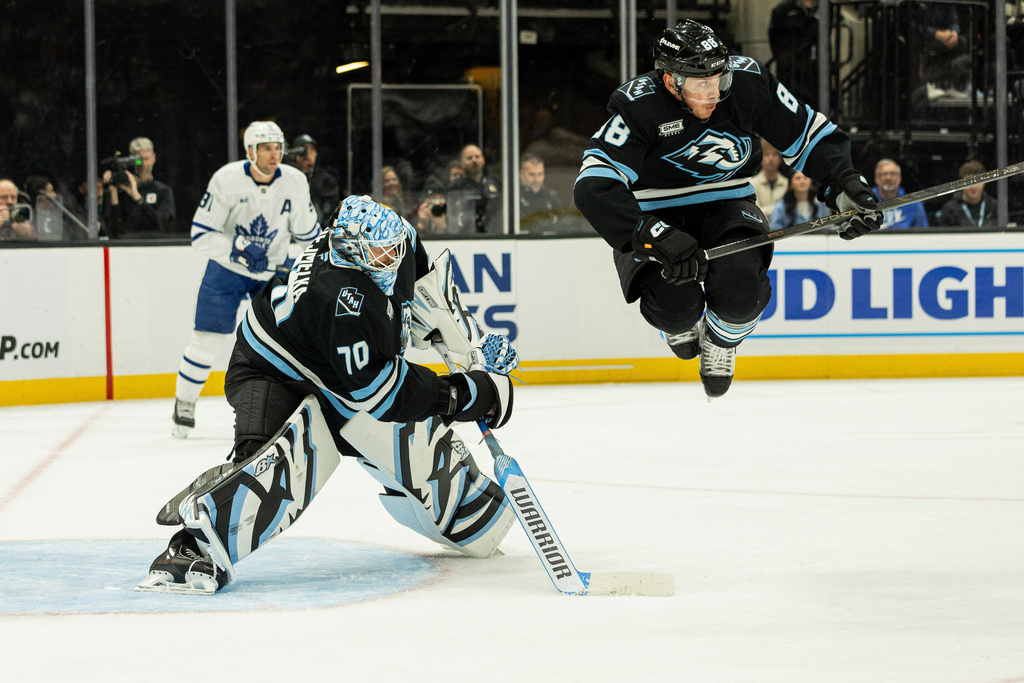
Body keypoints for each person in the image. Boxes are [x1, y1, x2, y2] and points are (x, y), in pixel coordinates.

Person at [138, 195, 517, 594]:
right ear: (351, 251)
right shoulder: (340, 297)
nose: (392, 258)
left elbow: (434, 300)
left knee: (411, 438)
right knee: (277, 465)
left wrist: (474, 347)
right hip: (272, 367)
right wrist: (463, 395)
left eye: (394, 249)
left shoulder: (396, 239)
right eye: (380, 253)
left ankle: (471, 510)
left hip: (329, 366)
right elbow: (383, 394)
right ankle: (193, 547)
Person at [573, 20, 882, 400]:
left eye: (718, 78)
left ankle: (721, 340)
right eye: (700, 83)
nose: (713, 92)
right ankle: (679, 323)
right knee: (676, 305)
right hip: (654, 212)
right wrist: (650, 235)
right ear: (671, 81)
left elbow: (806, 132)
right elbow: (593, 185)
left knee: (742, 293)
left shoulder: (749, 82)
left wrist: (844, 183)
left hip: (728, 202)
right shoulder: (639, 105)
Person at [172, 121, 321, 438]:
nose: (274, 154)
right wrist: (237, 248)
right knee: (206, 342)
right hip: (227, 270)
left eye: (278, 147)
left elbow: (310, 235)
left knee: (286, 343)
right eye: (266, 148)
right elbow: (200, 236)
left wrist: (309, 263)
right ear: (250, 151)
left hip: (271, 272)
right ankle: (184, 403)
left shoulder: (294, 181)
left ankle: (286, 406)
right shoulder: (226, 179)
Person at [768, 0, 820, 105]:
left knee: (815, 107)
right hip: (792, 70)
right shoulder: (783, 10)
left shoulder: (823, 8)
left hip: (815, 69)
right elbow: (774, 36)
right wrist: (785, 59)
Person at [286, 133, 340, 225]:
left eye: (311, 150)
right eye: (303, 151)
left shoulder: (326, 179)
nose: (307, 155)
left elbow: (328, 211)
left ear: (316, 154)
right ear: (294, 154)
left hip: (318, 228)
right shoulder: (287, 177)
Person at [447, 143, 501, 234]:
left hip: (491, 233)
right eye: (469, 158)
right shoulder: (455, 187)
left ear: (483, 160)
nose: (474, 160)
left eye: (477, 156)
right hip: (464, 234)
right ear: (462, 163)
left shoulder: (494, 184)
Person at [127, 137, 177, 233]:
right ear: (131, 160)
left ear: (153, 158)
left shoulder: (163, 191)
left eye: (146, 159)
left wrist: (138, 198)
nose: (143, 164)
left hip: (155, 245)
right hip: (128, 245)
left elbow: (164, 224)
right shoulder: (124, 191)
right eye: (139, 160)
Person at [938, 160, 997, 228]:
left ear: (984, 183)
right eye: (968, 182)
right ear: (961, 183)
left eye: (978, 182)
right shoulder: (950, 209)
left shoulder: (994, 207)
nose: (973, 187)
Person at [873, 158, 929, 229]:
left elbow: (923, 233)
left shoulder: (913, 203)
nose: (888, 177)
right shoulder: (864, 202)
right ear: (876, 178)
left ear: (899, 178)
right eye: (884, 174)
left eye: (893, 174)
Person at [518, 153, 562, 232]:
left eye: (540, 174)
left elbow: (563, 226)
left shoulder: (551, 197)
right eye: (532, 175)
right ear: (521, 174)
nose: (537, 180)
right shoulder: (512, 197)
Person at [750, 139, 789, 216]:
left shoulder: (786, 183)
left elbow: (787, 211)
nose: (771, 159)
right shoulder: (752, 183)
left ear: (780, 159)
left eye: (775, 154)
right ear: (761, 158)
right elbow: (756, 212)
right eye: (767, 154)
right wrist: (777, 209)